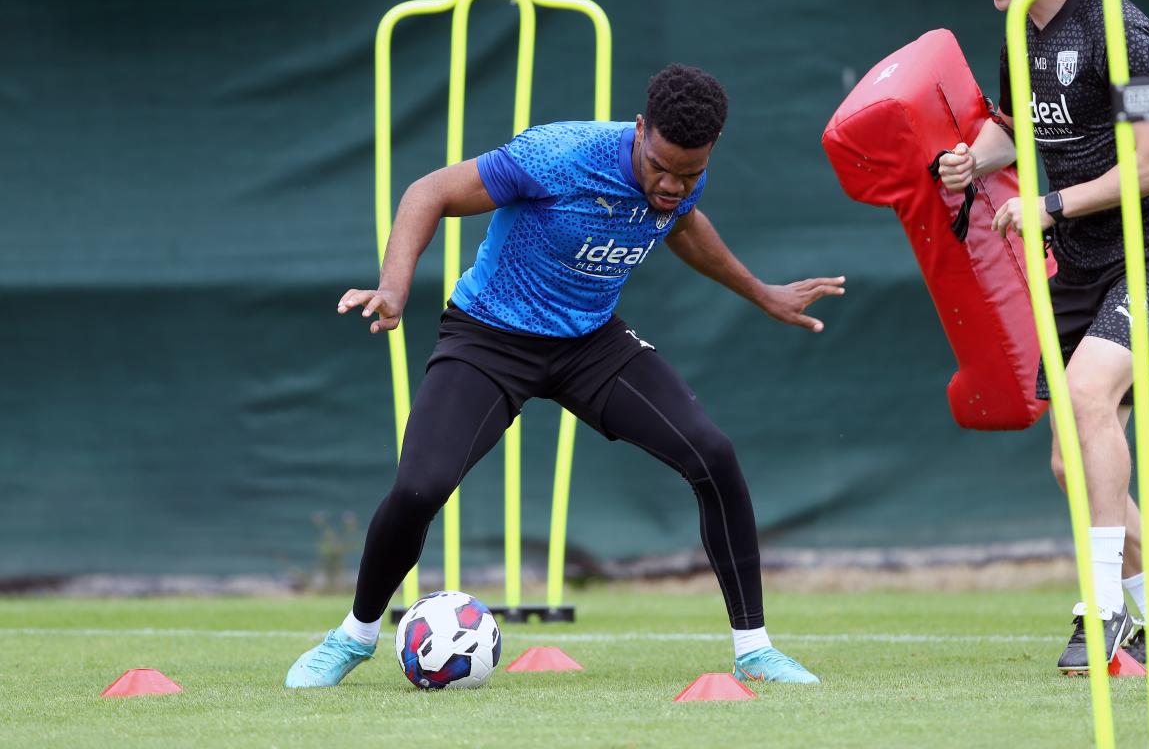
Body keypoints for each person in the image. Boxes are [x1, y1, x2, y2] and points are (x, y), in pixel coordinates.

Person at [286, 63, 843, 688]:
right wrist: (393, 288)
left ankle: (755, 649)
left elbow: (683, 226)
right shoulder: (558, 156)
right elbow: (428, 193)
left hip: (590, 342)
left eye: (688, 173)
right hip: (490, 336)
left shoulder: (684, 172)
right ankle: (353, 637)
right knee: (419, 488)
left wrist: (760, 292)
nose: (669, 184)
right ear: (639, 130)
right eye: (659, 167)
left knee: (713, 455)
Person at [939, 0, 1149, 672]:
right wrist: (969, 160)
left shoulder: (1125, 28)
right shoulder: (1021, 27)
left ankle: (1101, 609)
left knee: (1089, 396)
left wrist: (1052, 207)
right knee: (1072, 460)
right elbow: (1019, 131)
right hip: (1083, 264)